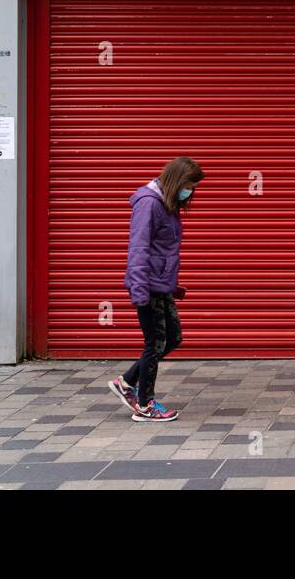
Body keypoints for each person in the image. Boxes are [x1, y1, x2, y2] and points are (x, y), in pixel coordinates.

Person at [108, 156, 204, 421]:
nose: (191, 191)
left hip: (160, 285)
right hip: (147, 285)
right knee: (155, 343)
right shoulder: (149, 205)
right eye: (189, 185)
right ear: (176, 181)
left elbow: (164, 250)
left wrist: (170, 283)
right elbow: (139, 249)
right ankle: (145, 405)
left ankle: (126, 383)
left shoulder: (167, 204)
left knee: (172, 338)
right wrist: (139, 290)